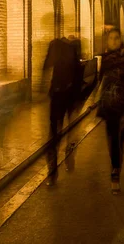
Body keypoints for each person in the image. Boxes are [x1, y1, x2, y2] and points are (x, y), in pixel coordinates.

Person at [96, 28, 124, 194]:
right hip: (109, 104)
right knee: (113, 139)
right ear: (107, 41)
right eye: (111, 38)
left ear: (120, 39)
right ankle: (115, 172)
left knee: (120, 140)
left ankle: (116, 165)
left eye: (117, 38)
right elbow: (101, 81)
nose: (114, 41)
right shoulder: (105, 59)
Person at [42, 38, 81, 186]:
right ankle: (67, 157)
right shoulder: (69, 50)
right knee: (68, 130)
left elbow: (46, 68)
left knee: (55, 134)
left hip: (61, 96)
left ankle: (53, 172)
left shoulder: (57, 49)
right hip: (67, 96)